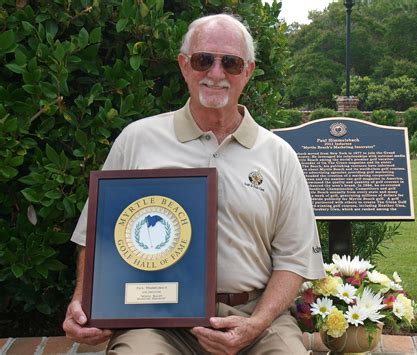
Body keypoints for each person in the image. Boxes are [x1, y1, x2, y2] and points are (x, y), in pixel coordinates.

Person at [63, 13, 324, 354]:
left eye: (230, 63)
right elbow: (96, 236)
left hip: (255, 318)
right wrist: (83, 302)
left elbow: (295, 258)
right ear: (184, 65)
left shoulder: (279, 156)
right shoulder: (138, 139)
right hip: (157, 318)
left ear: (248, 72)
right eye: (204, 60)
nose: (216, 73)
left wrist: (256, 323)